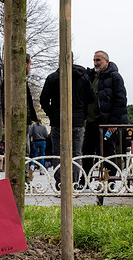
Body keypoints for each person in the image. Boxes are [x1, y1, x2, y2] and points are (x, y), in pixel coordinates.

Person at [40, 54, 95, 188]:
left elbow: (44, 100)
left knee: (58, 153)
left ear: (59, 60)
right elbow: (91, 97)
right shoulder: (83, 77)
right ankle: (74, 183)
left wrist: (52, 114)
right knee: (76, 153)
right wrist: (83, 113)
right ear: (72, 61)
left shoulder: (53, 78)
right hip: (77, 120)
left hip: (58, 120)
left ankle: (60, 183)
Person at [79, 50, 128, 188]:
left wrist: (114, 122)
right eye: (94, 60)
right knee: (87, 151)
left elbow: (121, 100)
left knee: (108, 152)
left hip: (107, 123)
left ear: (107, 61)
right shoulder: (91, 76)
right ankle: (86, 181)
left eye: (98, 60)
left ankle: (110, 180)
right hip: (91, 121)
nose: (95, 63)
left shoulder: (115, 77)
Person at [1, 54, 38, 183]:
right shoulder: (13, 81)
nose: (30, 68)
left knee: (25, 151)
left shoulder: (20, 80)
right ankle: (22, 179)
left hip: (24, 120)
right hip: (18, 121)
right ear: (25, 64)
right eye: (30, 64)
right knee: (22, 151)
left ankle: (24, 178)